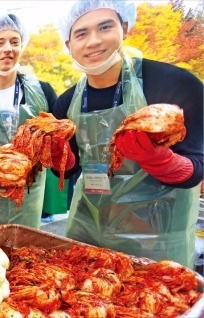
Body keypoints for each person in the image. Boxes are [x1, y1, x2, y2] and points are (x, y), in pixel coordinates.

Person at [53, 0, 203, 268]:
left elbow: (198, 164)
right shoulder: (67, 102)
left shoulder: (174, 84)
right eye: (81, 33)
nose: (93, 41)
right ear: (69, 45)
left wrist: (161, 160)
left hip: (157, 240)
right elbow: (67, 170)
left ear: (124, 27)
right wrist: (61, 161)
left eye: (105, 27)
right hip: (87, 232)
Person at [0, 12, 60, 230]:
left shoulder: (42, 91)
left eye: (15, 42)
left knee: (26, 255)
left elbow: (60, 139)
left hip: (29, 196)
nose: (8, 49)